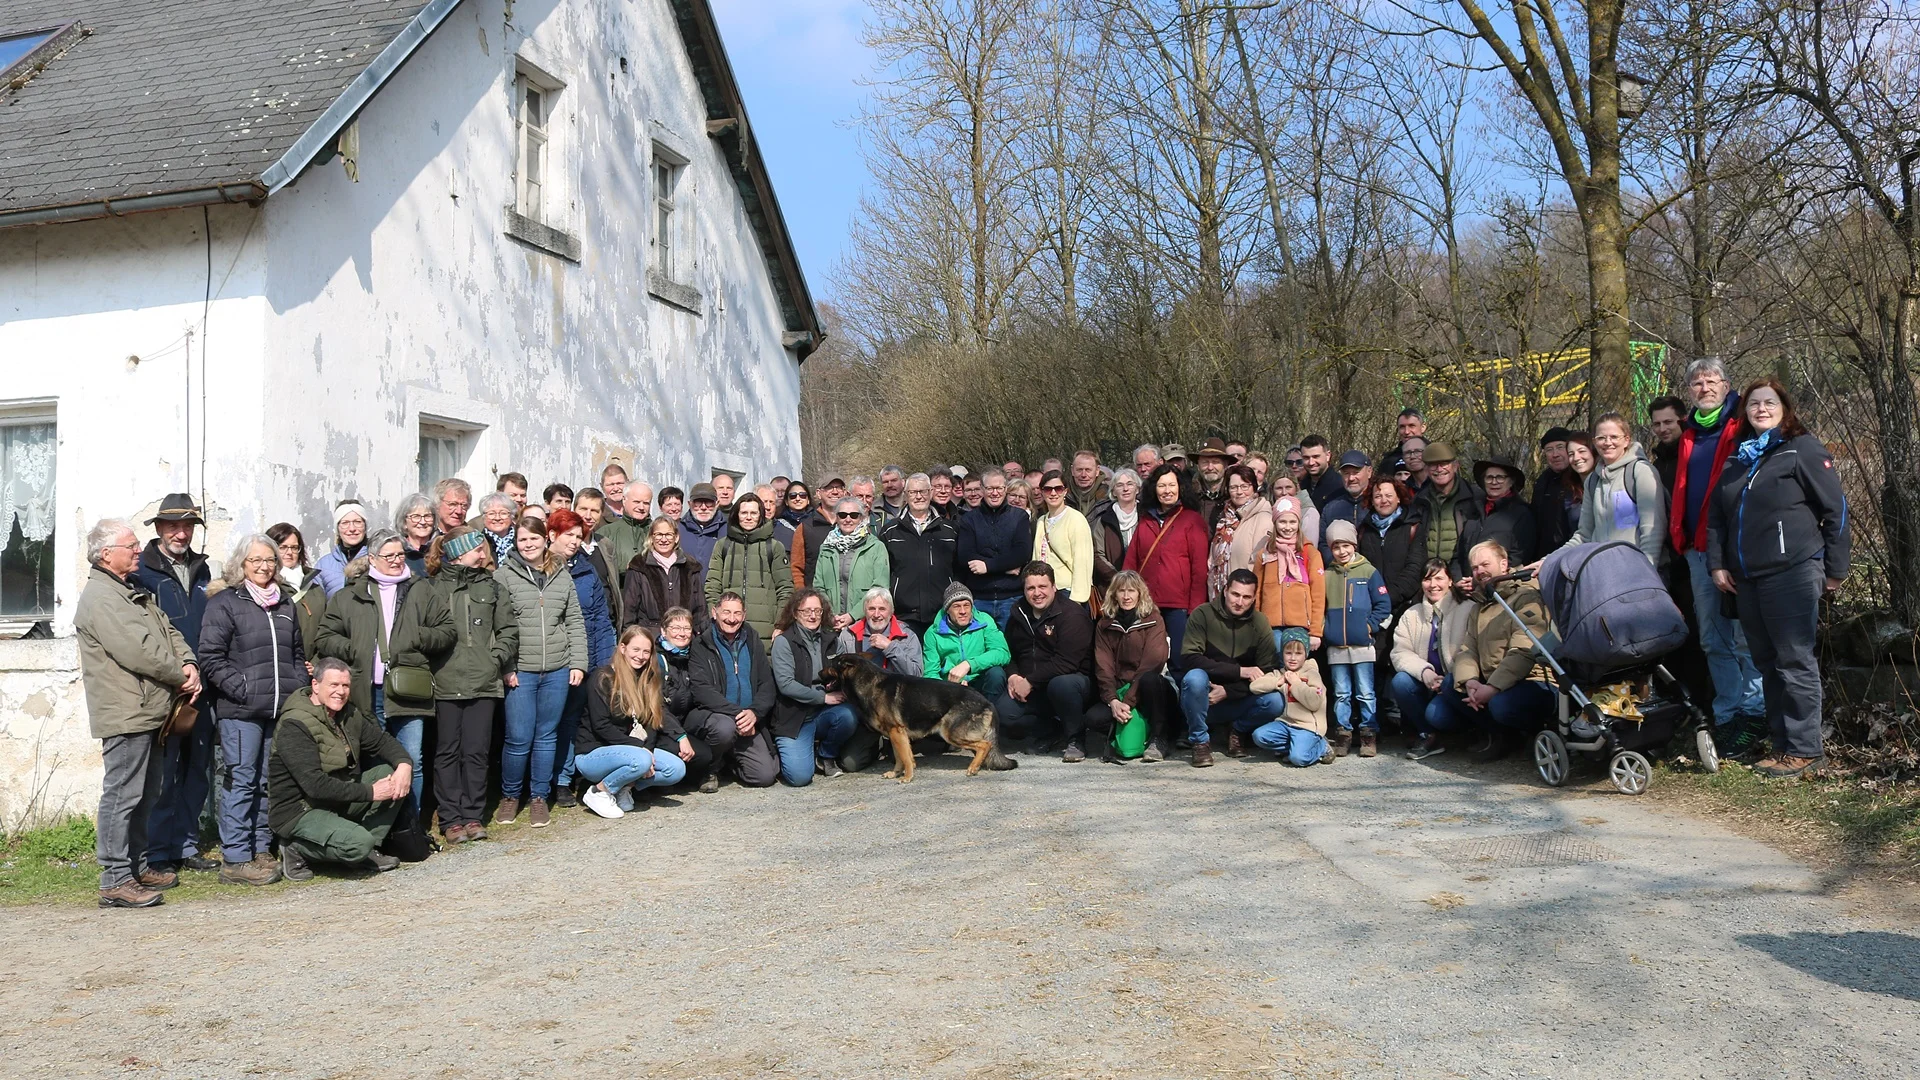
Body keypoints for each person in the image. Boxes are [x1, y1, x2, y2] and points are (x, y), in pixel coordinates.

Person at [1707, 378, 1850, 778]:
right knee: (1766, 662)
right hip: (1746, 577)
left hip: (1793, 571)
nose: (1761, 409)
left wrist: (1835, 569)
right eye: (1754, 404)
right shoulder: (1739, 458)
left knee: (1793, 660)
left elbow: (1835, 511)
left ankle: (1806, 749)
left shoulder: (1801, 449)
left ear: (1784, 408)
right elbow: (1717, 516)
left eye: (1770, 402)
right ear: (1745, 411)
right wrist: (1717, 564)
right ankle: (1782, 745)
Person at [76, 518, 200, 908]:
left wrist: (189, 661)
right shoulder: (101, 597)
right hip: (126, 709)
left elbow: (168, 630)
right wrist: (178, 674)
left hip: (149, 709)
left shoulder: (130, 588)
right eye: (130, 546)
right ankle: (115, 877)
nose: (137, 550)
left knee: (147, 793)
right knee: (123, 795)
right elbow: (137, 649)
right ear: (106, 553)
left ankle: (137, 866)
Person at [313, 529, 455, 815]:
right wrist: (354, 648)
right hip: (365, 690)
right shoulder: (348, 596)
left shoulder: (421, 589)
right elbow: (325, 636)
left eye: (400, 555)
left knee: (410, 758)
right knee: (375, 762)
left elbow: (447, 631)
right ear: (372, 559)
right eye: (388, 555)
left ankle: (411, 827)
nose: (396, 560)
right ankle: (380, 829)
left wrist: (417, 637)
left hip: (408, 689)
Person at [198, 534, 307, 886]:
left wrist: (292, 689)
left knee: (266, 782)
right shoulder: (226, 603)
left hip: (278, 708)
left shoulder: (286, 604)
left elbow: (297, 655)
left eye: (270, 560)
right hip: (241, 710)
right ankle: (235, 857)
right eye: (255, 560)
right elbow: (210, 658)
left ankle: (261, 848)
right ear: (241, 565)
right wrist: (242, 689)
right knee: (241, 779)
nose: (264, 566)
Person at [267, 658, 412, 881]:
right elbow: (315, 785)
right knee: (358, 844)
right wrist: (371, 793)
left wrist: (404, 764)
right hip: (300, 809)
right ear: (315, 685)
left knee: (389, 775)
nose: (341, 692)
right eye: (333, 685)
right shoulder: (295, 724)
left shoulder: (348, 713)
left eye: (345, 686)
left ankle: (369, 849)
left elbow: (381, 742)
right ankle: (297, 848)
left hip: (336, 799)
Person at [133, 494, 216, 876]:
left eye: (187, 526)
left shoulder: (203, 571)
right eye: (172, 526)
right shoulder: (142, 573)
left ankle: (184, 844)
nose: (180, 533)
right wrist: (177, 672)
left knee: (198, 769)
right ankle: (157, 852)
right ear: (159, 529)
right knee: (163, 775)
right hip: (167, 688)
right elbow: (145, 637)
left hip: (205, 687)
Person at [421, 527, 516, 843]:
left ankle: (473, 817)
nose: (483, 554)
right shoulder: (432, 588)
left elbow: (508, 631)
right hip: (445, 682)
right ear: (460, 552)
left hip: (483, 683)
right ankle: (451, 819)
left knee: (476, 751)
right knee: (447, 751)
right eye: (477, 549)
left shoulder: (492, 587)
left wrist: (494, 659)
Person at [493, 516, 587, 828]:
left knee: (547, 736)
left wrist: (578, 663)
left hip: (558, 669)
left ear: (545, 539)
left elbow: (574, 620)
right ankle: (510, 795)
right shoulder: (503, 577)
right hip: (521, 670)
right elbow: (499, 628)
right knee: (518, 737)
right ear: (515, 543)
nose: (529, 544)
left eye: (534, 539)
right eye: (522, 540)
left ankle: (538, 797)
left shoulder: (561, 574)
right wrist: (506, 667)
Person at [1428, 541, 1558, 761]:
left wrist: (1493, 688)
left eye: (1485, 564)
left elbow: (1523, 651)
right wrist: (1470, 681)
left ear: (1504, 564)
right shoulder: (1480, 605)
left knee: (1500, 704)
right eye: (1475, 567)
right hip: (1493, 682)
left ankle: (1532, 733)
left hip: (1534, 680)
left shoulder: (1526, 597)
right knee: (1452, 685)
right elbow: (1467, 649)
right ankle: (1502, 736)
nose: (1480, 571)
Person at [576, 626, 691, 818]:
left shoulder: (647, 679)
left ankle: (624, 787)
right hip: (594, 752)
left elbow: (651, 720)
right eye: (635, 650)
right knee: (642, 760)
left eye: (646, 651)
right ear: (623, 648)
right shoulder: (602, 677)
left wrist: (648, 747)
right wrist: (640, 748)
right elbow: (601, 726)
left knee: (676, 769)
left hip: (631, 752)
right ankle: (600, 791)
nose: (641, 656)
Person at [1177, 569, 1283, 767]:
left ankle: (1238, 731)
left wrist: (1228, 691)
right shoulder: (1203, 614)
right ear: (1225, 590)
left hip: (1238, 698)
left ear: (1253, 599)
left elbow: (1268, 670)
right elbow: (1189, 659)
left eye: (1246, 597)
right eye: (1235, 594)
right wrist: (1239, 671)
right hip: (1205, 699)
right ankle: (1200, 742)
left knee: (1275, 700)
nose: (1239, 602)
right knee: (1194, 678)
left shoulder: (1260, 622)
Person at [549, 508, 618, 805]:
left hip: (590, 657)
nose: (575, 541)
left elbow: (601, 617)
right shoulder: (543, 569)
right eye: (569, 535)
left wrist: (605, 663)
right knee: (553, 723)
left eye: (579, 536)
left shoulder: (587, 568)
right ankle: (545, 782)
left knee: (577, 720)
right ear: (552, 535)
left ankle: (567, 778)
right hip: (556, 659)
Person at [996, 563, 1097, 761]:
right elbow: (1010, 652)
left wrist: (1030, 681)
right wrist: (1014, 675)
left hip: (1075, 685)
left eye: (1042, 586)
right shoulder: (1018, 613)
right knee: (1004, 714)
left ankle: (1076, 739)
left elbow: (1066, 663)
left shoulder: (1072, 615)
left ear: (1054, 587)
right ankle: (1053, 731)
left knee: (1062, 684)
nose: (1037, 593)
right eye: (1031, 588)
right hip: (1034, 687)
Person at [768, 590, 861, 784]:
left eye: (817, 611)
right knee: (799, 778)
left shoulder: (832, 640)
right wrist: (823, 697)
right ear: (795, 613)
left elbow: (846, 675)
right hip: (794, 718)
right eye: (807, 611)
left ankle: (825, 755)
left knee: (848, 715)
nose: (812, 616)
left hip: (824, 714)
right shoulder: (783, 642)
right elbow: (786, 685)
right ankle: (786, 751)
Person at [1088, 570, 1179, 763]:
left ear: (1140, 593)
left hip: (1150, 688)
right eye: (1121, 591)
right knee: (1093, 718)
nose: (1126, 596)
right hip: (1121, 690)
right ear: (1114, 594)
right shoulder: (1105, 624)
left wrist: (1128, 701)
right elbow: (1103, 665)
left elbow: (1152, 662)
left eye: (1131, 591)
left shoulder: (1154, 619)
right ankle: (1135, 730)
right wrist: (1113, 700)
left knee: (1150, 680)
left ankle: (1159, 737)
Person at [690, 592, 779, 787]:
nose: (732, 619)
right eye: (726, 612)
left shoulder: (752, 640)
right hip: (716, 718)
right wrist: (738, 714)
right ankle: (710, 768)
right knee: (724, 728)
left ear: (744, 615)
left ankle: (729, 762)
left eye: (737, 613)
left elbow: (766, 683)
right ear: (715, 612)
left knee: (765, 776)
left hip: (748, 719)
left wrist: (754, 713)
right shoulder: (700, 644)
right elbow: (701, 690)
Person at [1555, 412, 1666, 566]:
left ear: (1626, 440)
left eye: (1614, 437)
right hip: (1604, 571)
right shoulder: (1593, 481)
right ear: (1594, 442)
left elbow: (1652, 530)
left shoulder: (1640, 472)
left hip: (1638, 570)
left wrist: (1647, 569)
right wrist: (1549, 560)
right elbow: (1584, 534)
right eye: (1601, 438)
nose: (1607, 443)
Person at [1321, 520, 1390, 756]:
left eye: (1346, 545)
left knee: (1365, 691)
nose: (1342, 551)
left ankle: (1369, 734)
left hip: (1362, 643)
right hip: (1336, 645)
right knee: (1341, 692)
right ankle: (1343, 733)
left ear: (1354, 544)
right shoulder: (1327, 574)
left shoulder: (1368, 572)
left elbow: (1383, 604)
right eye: (1336, 547)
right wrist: (1325, 627)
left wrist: (1369, 627)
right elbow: (1319, 605)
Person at [1124, 464, 1209, 652]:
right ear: (1154, 489)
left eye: (1172, 485)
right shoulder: (1146, 520)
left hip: (1179, 606)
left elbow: (1199, 569)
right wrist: (1127, 594)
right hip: (1147, 603)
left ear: (1180, 487)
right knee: (1146, 657)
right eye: (1162, 486)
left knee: (1179, 658)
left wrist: (1195, 607)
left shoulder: (1192, 520)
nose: (1167, 491)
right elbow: (1131, 562)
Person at [1392, 561, 1470, 760]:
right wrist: (1425, 671)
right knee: (1400, 682)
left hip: (1457, 683)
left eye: (1439, 578)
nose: (1433, 584)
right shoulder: (1412, 614)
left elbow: (1471, 649)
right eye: (1427, 579)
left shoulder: (1468, 608)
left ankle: (1471, 732)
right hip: (1427, 683)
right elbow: (1400, 652)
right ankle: (1428, 735)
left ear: (1450, 581)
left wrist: (1451, 677)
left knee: (1438, 715)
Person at [703, 493, 795, 644]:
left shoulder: (774, 547)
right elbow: (712, 585)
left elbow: (785, 589)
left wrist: (780, 624)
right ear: (736, 515)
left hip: (765, 629)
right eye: (744, 512)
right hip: (728, 625)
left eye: (753, 513)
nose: (748, 517)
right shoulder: (722, 545)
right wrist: (716, 616)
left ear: (761, 515)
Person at [879, 473, 959, 636]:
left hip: (942, 614)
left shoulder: (950, 530)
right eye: (913, 492)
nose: (919, 496)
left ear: (930, 493)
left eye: (923, 491)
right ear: (906, 495)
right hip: (904, 616)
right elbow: (884, 573)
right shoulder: (890, 531)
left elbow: (958, 569)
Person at [955, 468, 1032, 630]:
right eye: (990, 488)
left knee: (1013, 650)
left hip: (1012, 598)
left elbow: (1022, 553)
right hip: (980, 599)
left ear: (1005, 489)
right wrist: (1006, 566)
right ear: (982, 489)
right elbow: (965, 555)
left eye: (999, 488)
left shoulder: (1019, 517)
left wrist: (988, 566)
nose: (995, 493)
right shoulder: (969, 520)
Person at [655, 607, 722, 792]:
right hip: (658, 727)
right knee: (689, 753)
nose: (681, 633)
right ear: (663, 630)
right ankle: (654, 783)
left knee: (704, 753)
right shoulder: (656, 660)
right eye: (675, 628)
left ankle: (696, 775)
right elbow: (657, 706)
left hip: (685, 720)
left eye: (686, 628)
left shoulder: (694, 656)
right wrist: (680, 736)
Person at [1246, 629, 1331, 767]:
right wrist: (1277, 682)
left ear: (1306, 655)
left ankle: (1322, 747)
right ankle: (1293, 748)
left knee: (1299, 759)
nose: (1292, 658)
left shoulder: (1312, 674)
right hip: (1286, 723)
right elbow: (1254, 686)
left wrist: (1296, 683)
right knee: (1259, 736)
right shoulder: (1281, 673)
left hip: (1307, 726)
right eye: (1288, 653)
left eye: (1298, 653)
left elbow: (1314, 702)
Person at [1254, 496, 1325, 650]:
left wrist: (1316, 631)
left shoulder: (1310, 553)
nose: (1287, 527)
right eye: (1282, 522)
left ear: (1299, 523)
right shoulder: (1265, 554)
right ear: (1275, 523)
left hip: (1300, 625)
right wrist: (1257, 625)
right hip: (1270, 625)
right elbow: (1257, 593)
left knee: (1293, 666)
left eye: (1292, 522)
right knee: (1275, 665)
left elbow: (1318, 595)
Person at [812, 498, 891, 632]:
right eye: (842, 515)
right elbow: (819, 586)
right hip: (831, 623)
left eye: (853, 515)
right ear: (836, 517)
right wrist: (830, 615)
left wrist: (852, 616)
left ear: (861, 517)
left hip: (864, 624)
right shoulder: (826, 547)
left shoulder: (876, 547)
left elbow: (880, 587)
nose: (848, 519)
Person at [924, 582, 1012, 701]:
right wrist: (949, 688)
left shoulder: (984, 621)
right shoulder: (933, 633)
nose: (963, 611)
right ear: (947, 610)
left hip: (980, 681)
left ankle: (991, 712)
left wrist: (969, 665)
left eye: (966, 605)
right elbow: (930, 673)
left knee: (996, 673)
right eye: (956, 606)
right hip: (950, 687)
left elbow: (1002, 652)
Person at [623, 516, 709, 633]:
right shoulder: (639, 566)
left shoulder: (690, 566)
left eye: (668, 534)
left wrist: (700, 636)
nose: (664, 539)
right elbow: (629, 608)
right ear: (651, 537)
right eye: (659, 534)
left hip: (684, 635)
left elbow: (700, 608)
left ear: (676, 537)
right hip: (650, 636)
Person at [1455, 458, 1536, 579]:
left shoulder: (1521, 513)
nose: (1494, 482)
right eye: (1489, 477)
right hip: (1468, 586)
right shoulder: (1473, 510)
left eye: (1500, 477)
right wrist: (1458, 579)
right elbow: (1459, 553)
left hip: (1502, 587)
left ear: (1511, 481)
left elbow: (1520, 556)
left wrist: (1491, 579)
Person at [1358, 478, 1425, 616]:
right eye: (1378, 496)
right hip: (1371, 608)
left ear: (1398, 498)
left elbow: (1414, 569)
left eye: (1389, 496)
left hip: (1405, 608)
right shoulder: (1364, 530)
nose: (1383, 501)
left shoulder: (1413, 527)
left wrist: (1386, 598)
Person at [1031, 469, 1096, 606]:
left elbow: (1083, 561)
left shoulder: (1075, 519)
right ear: (1042, 492)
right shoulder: (1041, 521)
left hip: (1067, 591)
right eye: (1048, 489)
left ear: (1065, 491)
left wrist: (1077, 599)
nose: (1053, 493)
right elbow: (1036, 558)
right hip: (1044, 592)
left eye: (1058, 489)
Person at [1208, 465, 1273, 598]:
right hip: (1219, 596)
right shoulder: (1224, 520)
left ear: (1254, 488)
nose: (1239, 492)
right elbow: (1212, 560)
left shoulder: (1263, 518)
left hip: (1243, 597)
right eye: (1233, 487)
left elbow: (1257, 564)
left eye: (1245, 486)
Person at [1417, 441, 1482, 569]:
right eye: (1433, 465)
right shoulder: (1419, 500)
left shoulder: (1474, 497)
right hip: (1428, 575)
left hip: (1463, 573)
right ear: (1426, 469)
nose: (1439, 469)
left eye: (1444, 463)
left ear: (1456, 466)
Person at [267, 522, 328, 658]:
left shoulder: (315, 590)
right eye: (282, 547)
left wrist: (317, 664)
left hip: (311, 669)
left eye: (294, 547)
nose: (289, 553)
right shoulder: (266, 588)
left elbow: (326, 632)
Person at [834, 586, 925, 674]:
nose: (876, 614)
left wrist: (890, 648)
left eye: (882, 609)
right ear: (865, 611)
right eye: (872, 609)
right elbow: (838, 671)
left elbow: (916, 674)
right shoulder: (848, 635)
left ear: (891, 611)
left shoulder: (907, 636)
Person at [1092, 467, 1142, 596]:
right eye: (1120, 485)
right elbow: (1098, 554)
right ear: (1113, 491)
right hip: (1112, 587)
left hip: (1144, 586)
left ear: (1137, 489)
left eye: (1130, 484)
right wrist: (1118, 579)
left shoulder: (1147, 517)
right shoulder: (1104, 520)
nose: (1125, 489)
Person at [1317, 451, 1373, 560]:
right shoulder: (1331, 508)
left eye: (1356, 472)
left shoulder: (1378, 504)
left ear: (1369, 472)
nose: (1351, 478)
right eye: (1346, 473)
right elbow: (1324, 544)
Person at [312, 500, 370, 597]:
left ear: (365, 526)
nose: (352, 528)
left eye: (357, 522)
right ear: (337, 528)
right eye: (345, 523)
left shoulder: (377, 559)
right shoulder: (323, 565)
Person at [788, 481, 837, 588]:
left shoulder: (852, 524)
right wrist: (802, 595)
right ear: (819, 493)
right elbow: (796, 568)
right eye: (829, 488)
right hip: (815, 597)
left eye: (838, 488)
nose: (835, 492)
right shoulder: (805, 527)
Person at [1530, 427, 1574, 546]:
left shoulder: (1581, 478)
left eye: (1560, 447)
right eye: (1549, 450)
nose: (1555, 454)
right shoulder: (1542, 482)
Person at [678, 483, 727, 584]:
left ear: (717, 503)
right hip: (684, 593)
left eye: (709, 503)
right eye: (698, 502)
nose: (703, 507)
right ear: (689, 504)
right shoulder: (677, 530)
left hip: (717, 594)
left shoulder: (728, 530)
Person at [1268, 472, 1321, 546]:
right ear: (1272, 490)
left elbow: (1309, 547)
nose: (1284, 492)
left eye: (1288, 487)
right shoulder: (1269, 511)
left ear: (1297, 488)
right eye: (1279, 488)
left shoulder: (1309, 513)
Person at [396, 494, 437, 578]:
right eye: (416, 516)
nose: (423, 522)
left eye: (427, 516)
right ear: (404, 522)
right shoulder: (397, 552)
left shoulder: (442, 549)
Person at [1191, 438, 1232, 523]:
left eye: (1215, 462)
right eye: (1205, 462)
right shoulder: (1189, 496)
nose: (1210, 467)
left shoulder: (1234, 494)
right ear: (1198, 465)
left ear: (1225, 465)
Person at [1299, 435, 1344, 510]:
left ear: (1328, 456)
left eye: (1316, 457)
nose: (1311, 462)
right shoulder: (1301, 486)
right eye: (1306, 458)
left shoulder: (1340, 486)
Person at [475, 492, 519, 563]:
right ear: (483, 517)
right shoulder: (477, 542)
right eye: (491, 513)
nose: (497, 518)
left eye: (503, 513)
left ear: (512, 516)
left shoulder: (520, 540)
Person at [1066, 451, 1108, 517]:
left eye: (1088, 470)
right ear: (1072, 470)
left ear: (1097, 471)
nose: (1083, 475)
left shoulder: (1108, 497)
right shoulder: (1062, 496)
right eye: (1079, 470)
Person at [773, 480, 812, 548]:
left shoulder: (817, 521)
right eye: (793, 496)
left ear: (808, 500)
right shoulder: (777, 524)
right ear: (786, 501)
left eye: (802, 495)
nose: (798, 499)